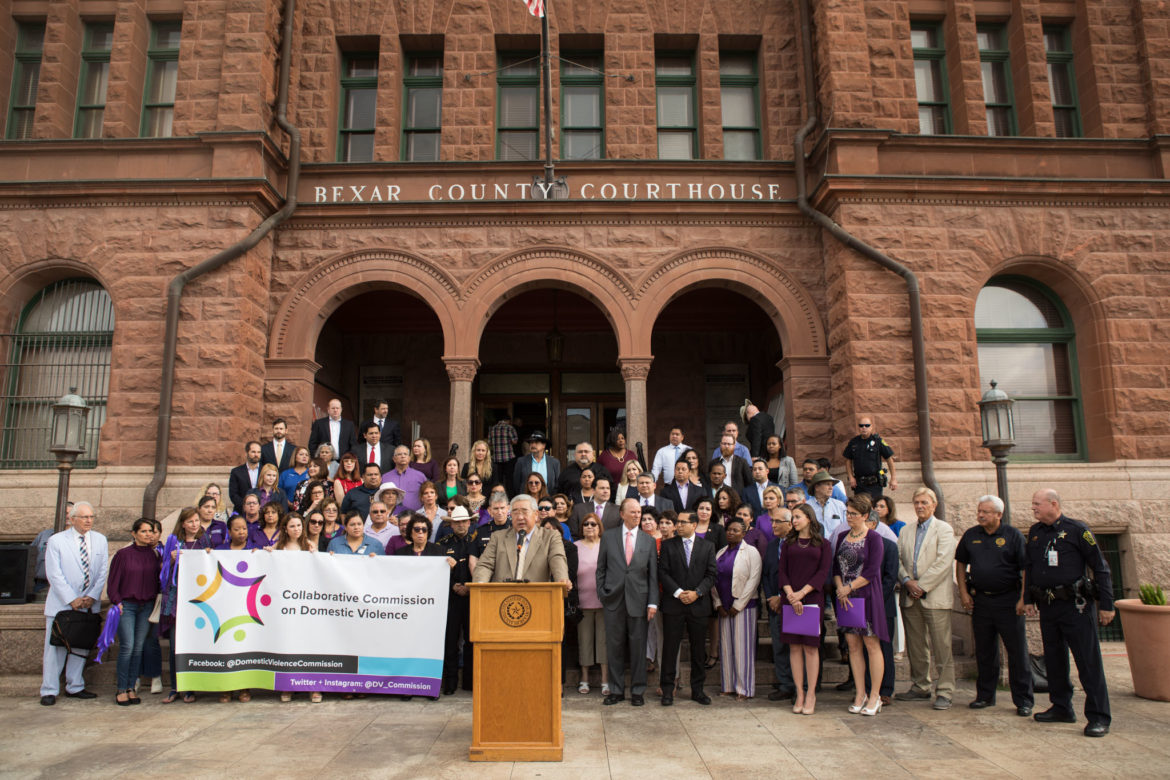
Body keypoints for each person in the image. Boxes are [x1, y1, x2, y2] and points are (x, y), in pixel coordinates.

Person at [1024, 488, 1114, 737]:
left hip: (1076, 606)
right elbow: (1030, 567)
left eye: (1037, 504)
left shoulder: (1077, 530)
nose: (1033, 508)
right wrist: (1028, 599)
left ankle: (1099, 716)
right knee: (1054, 660)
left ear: (1053, 504)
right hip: (1049, 605)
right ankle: (1061, 707)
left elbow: (1100, 567)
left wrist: (1107, 605)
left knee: (1088, 661)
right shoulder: (1035, 532)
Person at [956, 495, 1033, 717]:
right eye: (979, 511)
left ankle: (1023, 700)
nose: (980, 515)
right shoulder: (971, 535)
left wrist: (1023, 598)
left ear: (999, 514)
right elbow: (961, 563)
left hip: (1009, 601)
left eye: (986, 512)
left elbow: (1026, 568)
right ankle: (985, 696)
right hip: (981, 601)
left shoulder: (1013, 535)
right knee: (984, 651)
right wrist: (963, 592)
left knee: (1017, 652)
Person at [40, 502, 108, 706]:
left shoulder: (100, 540)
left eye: (91, 517)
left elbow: (102, 571)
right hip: (62, 604)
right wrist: (72, 598)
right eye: (84, 517)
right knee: (55, 648)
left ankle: (75, 685)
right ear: (72, 519)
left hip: (88, 603)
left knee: (81, 645)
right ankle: (49, 689)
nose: (88, 521)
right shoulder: (57, 541)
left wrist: (92, 596)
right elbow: (54, 573)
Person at [896, 486, 957, 710]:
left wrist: (921, 586)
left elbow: (943, 562)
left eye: (924, 502)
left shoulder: (944, 529)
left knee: (942, 646)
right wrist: (906, 581)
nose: (920, 506)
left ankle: (945, 690)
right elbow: (898, 559)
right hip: (910, 595)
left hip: (935, 596)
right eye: (917, 502)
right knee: (916, 645)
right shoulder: (906, 530)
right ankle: (920, 686)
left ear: (934, 504)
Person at [596, 497, 658, 706]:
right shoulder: (609, 537)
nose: (637, 515)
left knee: (638, 648)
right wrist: (602, 593)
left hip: (639, 601)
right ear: (622, 514)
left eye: (639, 512)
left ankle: (638, 691)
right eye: (633, 512)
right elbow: (601, 568)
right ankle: (616, 690)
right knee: (614, 647)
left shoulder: (648, 541)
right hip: (613, 600)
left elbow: (652, 575)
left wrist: (652, 602)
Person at [834, 495, 888, 716]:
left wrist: (849, 587)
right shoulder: (842, 537)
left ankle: (875, 695)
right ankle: (860, 693)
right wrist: (840, 588)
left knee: (871, 644)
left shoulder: (874, 538)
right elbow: (836, 568)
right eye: (847, 513)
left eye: (854, 514)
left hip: (866, 595)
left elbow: (872, 570)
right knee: (853, 645)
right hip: (845, 598)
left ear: (865, 516)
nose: (849, 517)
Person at [777, 502, 832, 715]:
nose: (794, 521)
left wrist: (802, 593)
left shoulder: (823, 544)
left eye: (798, 517)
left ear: (809, 518)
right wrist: (791, 594)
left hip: (812, 598)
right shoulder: (788, 543)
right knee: (794, 647)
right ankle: (799, 692)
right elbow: (782, 571)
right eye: (793, 517)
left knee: (810, 648)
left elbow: (823, 572)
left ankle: (811, 693)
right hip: (790, 598)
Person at [658, 510, 717, 706]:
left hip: (698, 605)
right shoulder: (668, 545)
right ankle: (668, 690)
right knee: (670, 649)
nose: (678, 526)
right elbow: (663, 572)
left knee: (698, 650)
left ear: (694, 524)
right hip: (673, 604)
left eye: (683, 522)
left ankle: (697, 690)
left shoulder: (707, 546)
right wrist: (678, 592)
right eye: (678, 522)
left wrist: (697, 592)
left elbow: (711, 574)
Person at [160, 507, 210, 704]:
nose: (194, 524)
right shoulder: (173, 542)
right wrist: (171, 561)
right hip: (177, 603)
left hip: (198, 602)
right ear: (182, 524)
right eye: (190, 521)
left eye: (196, 521)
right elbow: (163, 573)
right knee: (175, 646)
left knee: (194, 645)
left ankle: (190, 687)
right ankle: (175, 687)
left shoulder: (204, 542)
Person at [472, 495, 570, 584]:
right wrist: (480, 584)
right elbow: (485, 565)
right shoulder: (498, 537)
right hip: (503, 596)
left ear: (536, 514)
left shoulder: (550, 537)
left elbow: (557, 559)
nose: (520, 517)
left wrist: (561, 579)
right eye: (515, 512)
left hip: (537, 595)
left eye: (524, 511)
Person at [437, 506, 478, 694]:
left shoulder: (477, 542)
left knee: (472, 639)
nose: (461, 525)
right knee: (450, 641)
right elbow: (437, 571)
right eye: (457, 522)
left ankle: (470, 681)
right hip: (451, 597)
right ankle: (450, 682)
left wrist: (471, 587)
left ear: (469, 522)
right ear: (451, 524)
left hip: (473, 597)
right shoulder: (442, 544)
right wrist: (453, 585)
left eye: (464, 521)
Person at [761, 508, 796, 702]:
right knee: (779, 646)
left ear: (790, 524)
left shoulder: (798, 544)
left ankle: (800, 686)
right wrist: (770, 597)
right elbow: (766, 574)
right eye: (771, 521)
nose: (773, 525)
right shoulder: (773, 545)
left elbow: (796, 576)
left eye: (777, 522)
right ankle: (785, 685)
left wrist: (783, 598)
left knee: (797, 648)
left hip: (794, 603)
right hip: (774, 604)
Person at [574, 513, 608, 696]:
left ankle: (605, 680)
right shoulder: (575, 547)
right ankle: (584, 679)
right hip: (582, 602)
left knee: (604, 642)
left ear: (599, 527)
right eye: (586, 524)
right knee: (584, 641)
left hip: (604, 602)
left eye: (593, 524)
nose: (589, 527)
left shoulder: (606, 545)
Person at [843, 416, 898, 499]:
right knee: (860, 505)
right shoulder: (853, 442)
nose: (864, 428)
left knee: (875, 505)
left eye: (867, 425)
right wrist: (851, 477)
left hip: (875, 484)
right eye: (861, 426)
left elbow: (889, 459)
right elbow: (848, 460)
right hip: (859, 484)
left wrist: (893, 478)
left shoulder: (878, 441)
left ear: (871, 427)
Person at [307, 398, 357, 466]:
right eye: (333, 408)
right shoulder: (319, 424)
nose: (335, 410)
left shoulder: (349, 425)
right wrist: (317, 459)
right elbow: (312, 444)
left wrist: (348, 459)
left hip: (343, 462)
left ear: (341, 409)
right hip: (323, 462)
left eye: (337, 408)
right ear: (328, 409)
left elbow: (353, 444)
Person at [512, 430, 561, 497]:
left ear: (544, 445)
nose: (533, 445)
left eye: (536, 442)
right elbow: (516, 484)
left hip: (547, 500)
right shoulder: (521, 461)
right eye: (531, 442)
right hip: (527, 499)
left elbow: (557, 484)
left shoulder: (554, 462)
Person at [807, 471, 847, 542]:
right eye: (827, 484)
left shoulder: (840, 505)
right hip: (814, 546)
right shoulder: (807, 506)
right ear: (817, 487)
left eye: (832, 485)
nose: (831, 488)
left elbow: (846, 528)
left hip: (835, 546)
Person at [385, 445, 427, 511]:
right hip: (392, 515)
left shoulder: (420, 476)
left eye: (405, 454)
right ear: (394, 459)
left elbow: (427, 494)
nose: (403, 456)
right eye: (399, 454)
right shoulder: (385, 477)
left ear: (409, 458)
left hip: (415, 514)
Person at [228, 441, 262, 512]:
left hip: (261, 511)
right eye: (253, 452)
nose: (256, 455)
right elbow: (233, 494)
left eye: (258, 452)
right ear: (247, 453)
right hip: (241, 511)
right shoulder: (236, 472)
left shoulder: (265, 471)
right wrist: (246, 506)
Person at [277, 446, 312, 510]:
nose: (304, 456)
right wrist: (288, 503)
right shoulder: (286, 473)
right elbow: (279, 491)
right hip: (287, 509)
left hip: (307, 509)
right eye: (301, 454)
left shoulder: (311, 473)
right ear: (295, 457)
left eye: (307, 455)